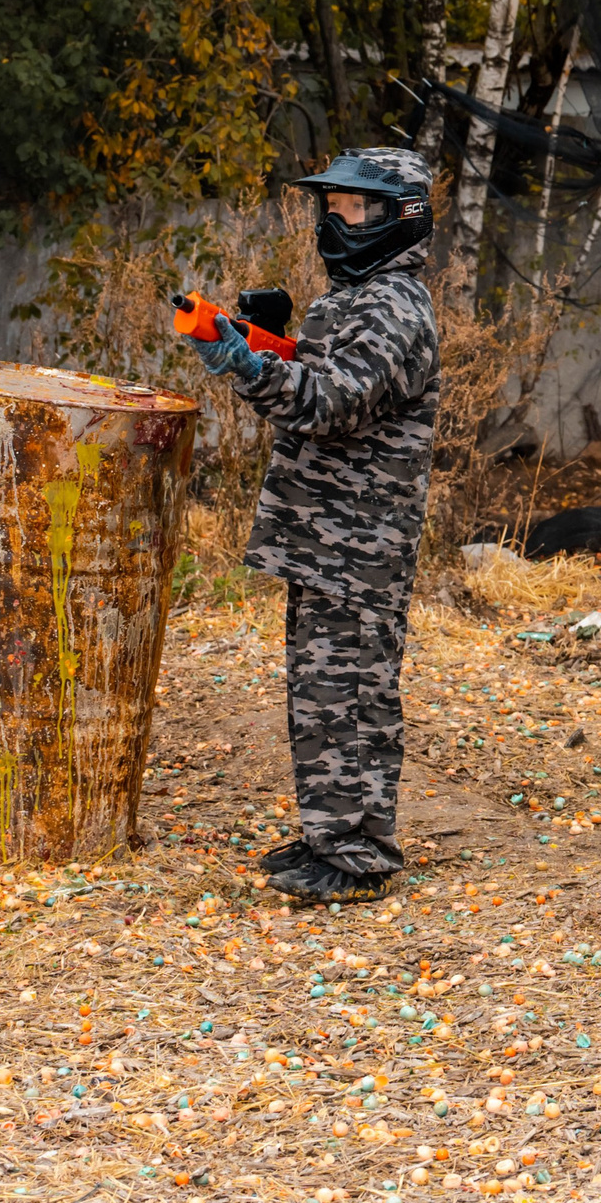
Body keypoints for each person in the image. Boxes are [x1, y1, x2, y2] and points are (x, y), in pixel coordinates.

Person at [182, 148, 441, 905]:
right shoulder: (353, 300)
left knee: (352, 692)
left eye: (353, 208)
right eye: (330, 206)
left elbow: (331, 403)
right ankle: (333, 834)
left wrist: (246, 364)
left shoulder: (394, 307)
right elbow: (317, 381)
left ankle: (360, 853)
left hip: (360, 541)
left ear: (400, 217)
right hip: (325, 534)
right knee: (322, 693)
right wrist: (263, 343)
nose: (336, 220)